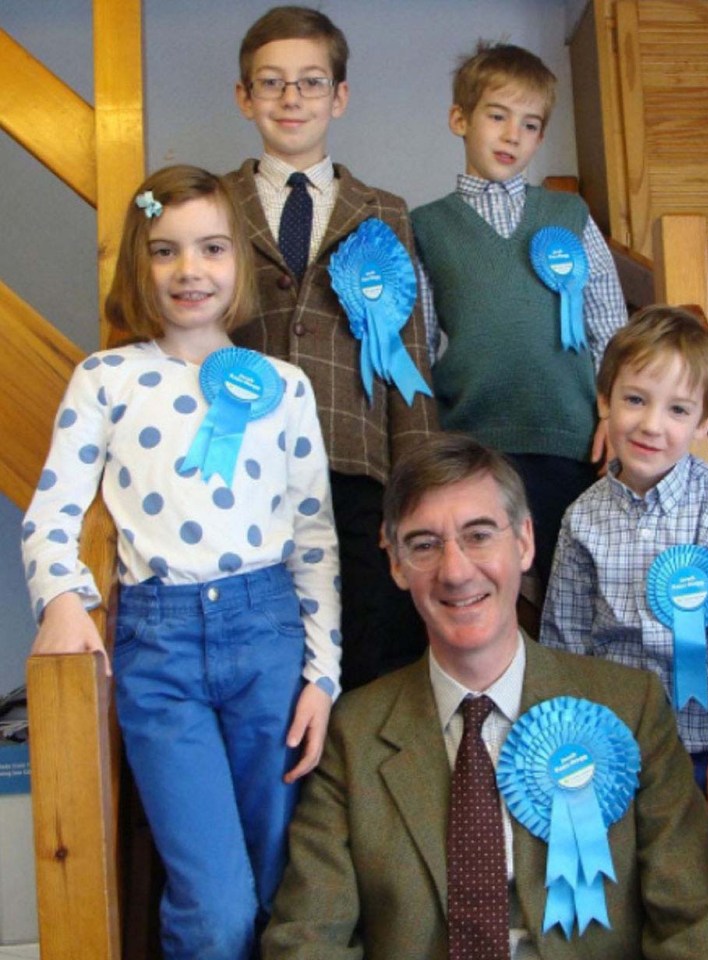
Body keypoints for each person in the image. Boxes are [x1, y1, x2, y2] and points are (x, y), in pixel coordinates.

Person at [263, 433, 708, 960]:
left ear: (523, 542)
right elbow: (307, 939)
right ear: (396, 563)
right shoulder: (353, 733)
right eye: (425, 544)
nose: (454, 571)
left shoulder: (630, 708)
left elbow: (698, 918)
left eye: (478, 535)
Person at [21, 165, 342, 960]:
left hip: (268, 639)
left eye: (210, 249)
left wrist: (324, 671)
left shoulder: (287, 388)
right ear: (140, 264)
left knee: (279, 888)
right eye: (165, 252)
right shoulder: (106, 379)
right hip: (158, 652)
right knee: (215, 903)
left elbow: (313, 537)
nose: (189, 271)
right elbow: (53, 512)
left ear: (239, 263)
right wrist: (62, 596)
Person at [539, 305, 708, 957]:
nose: (652, 424)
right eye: (634, 399)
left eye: (678, 410)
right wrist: (575, 746)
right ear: (605, 402)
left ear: (705, 422)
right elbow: (565, 641)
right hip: (621, 743)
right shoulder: (582, 520)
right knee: (635, 880)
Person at [228, 6, 436, 691]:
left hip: (357, 470)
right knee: (267, 659)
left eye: (311, 82)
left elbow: (409, 355)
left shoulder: (384, 211)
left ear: (339, 97)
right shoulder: (213, 203)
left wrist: (418, 494)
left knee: (371, 652)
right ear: (244, 96)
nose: (292, 99)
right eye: (272, 82)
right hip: (242, 469)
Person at [411, 42, 628, 589]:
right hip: (474, 442)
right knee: (479, 582)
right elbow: (416, 342)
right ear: (459, 118)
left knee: (576, 586)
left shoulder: (568, 213)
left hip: (571, 439)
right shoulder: (427, 227)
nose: (513, 135)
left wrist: (611, 412)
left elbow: (609, 324)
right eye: (497, 116)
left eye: (530, 125)